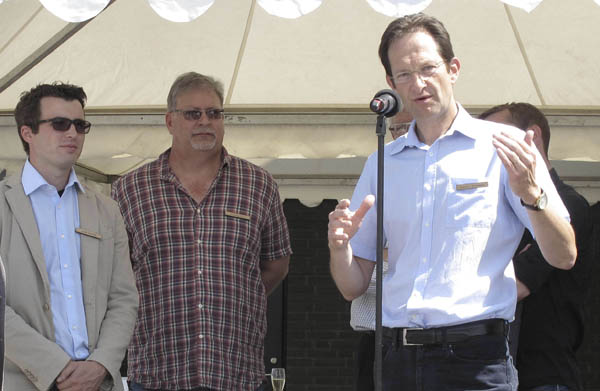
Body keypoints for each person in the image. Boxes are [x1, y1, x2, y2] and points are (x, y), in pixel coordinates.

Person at [327, 13, 576, 390]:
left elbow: (564, 254)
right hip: (396, 356)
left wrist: (532, 195)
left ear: (453, 68)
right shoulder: (383, 160)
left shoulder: (504, 144)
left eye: (428, 68)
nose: (419, 84)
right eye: (404, 75)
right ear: (391, 84)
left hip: (475, 357)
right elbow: (353, 285)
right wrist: (339, 247)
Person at [111, 72, 292, 391]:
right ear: (170, 121)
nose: (205, 121)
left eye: (214, 113)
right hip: (157, 370)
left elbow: (276, 265)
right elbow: (115, 275)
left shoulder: (258, 184)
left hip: (235, 370)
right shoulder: (130, 189)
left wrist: (237, 296)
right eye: (193, 114)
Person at [1, 83, 139, 391]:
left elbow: (124, 298)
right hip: (23, 380)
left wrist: (101, 364)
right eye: (60, 124)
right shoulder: (3, 205)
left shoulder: (107, 209)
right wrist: (54, 366)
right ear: (27, 132)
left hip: (98, 383)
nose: (73, 133)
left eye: (80, 125)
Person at [480, 102, 593, 391]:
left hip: (543, 375)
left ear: (532, 136)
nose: (491, 150)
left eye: (500, 138)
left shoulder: (568, 205)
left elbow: (516, 284)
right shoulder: (497, 208)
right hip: (492, 371)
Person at [350, 111, 412, 391]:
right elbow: (360, 254)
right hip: (373, 334)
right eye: (396, 128)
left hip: (423, 335)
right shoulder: (380, 166)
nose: (403, 134)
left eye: (410, 126)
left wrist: (384, 251)